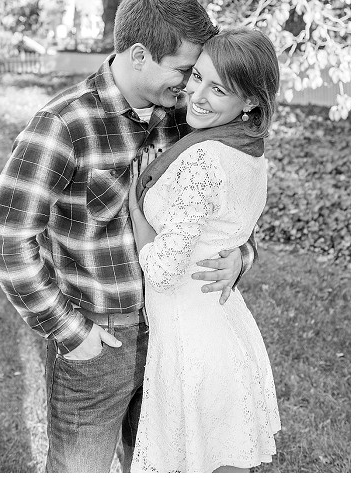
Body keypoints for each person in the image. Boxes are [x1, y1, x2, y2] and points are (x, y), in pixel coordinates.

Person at [0, 0, 257, 473]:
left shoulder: (185, 120)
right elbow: (5, 237)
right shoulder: (64, 124)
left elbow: (225, 202)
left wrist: (242, 253)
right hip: (100, 343)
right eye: (184, 71)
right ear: (138, 55)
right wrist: (69, 330)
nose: (192, 84)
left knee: (159, 465)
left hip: (174, 335)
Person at [128, 28, 281, 473]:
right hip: (223, 330)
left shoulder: (203, 158)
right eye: (197, 76)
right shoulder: (252, 155)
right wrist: (242, 254)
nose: (196, 94)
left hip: (191, 347)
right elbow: (230, 225)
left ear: (250, 102)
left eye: (218, 89)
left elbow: (161, 270)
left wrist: (139, 218)